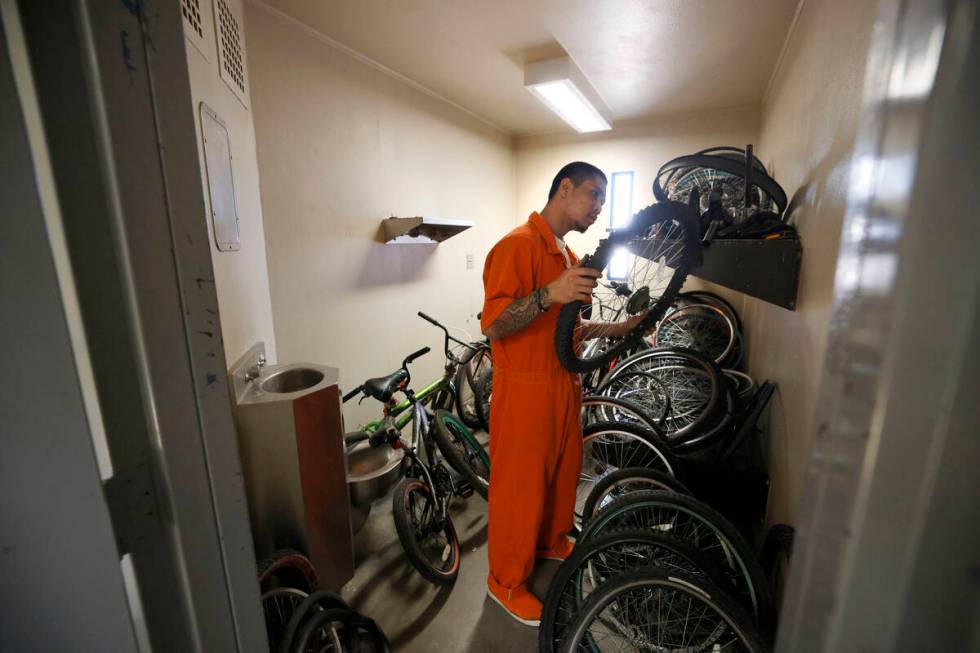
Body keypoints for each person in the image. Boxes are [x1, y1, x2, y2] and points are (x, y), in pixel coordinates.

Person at [480, 161, 640, 625]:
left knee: (561, 473)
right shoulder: (517, 246)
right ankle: (504, 582)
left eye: (603, 201)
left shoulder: (565, 256)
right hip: (525, 391)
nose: (597, 207)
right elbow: (493, 324)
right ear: (564, 188)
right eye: (593, 194)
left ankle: (550, 541)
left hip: (563, 385)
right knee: (519, 488)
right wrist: (550, 293)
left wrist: (618, 327)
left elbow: (566, 328)